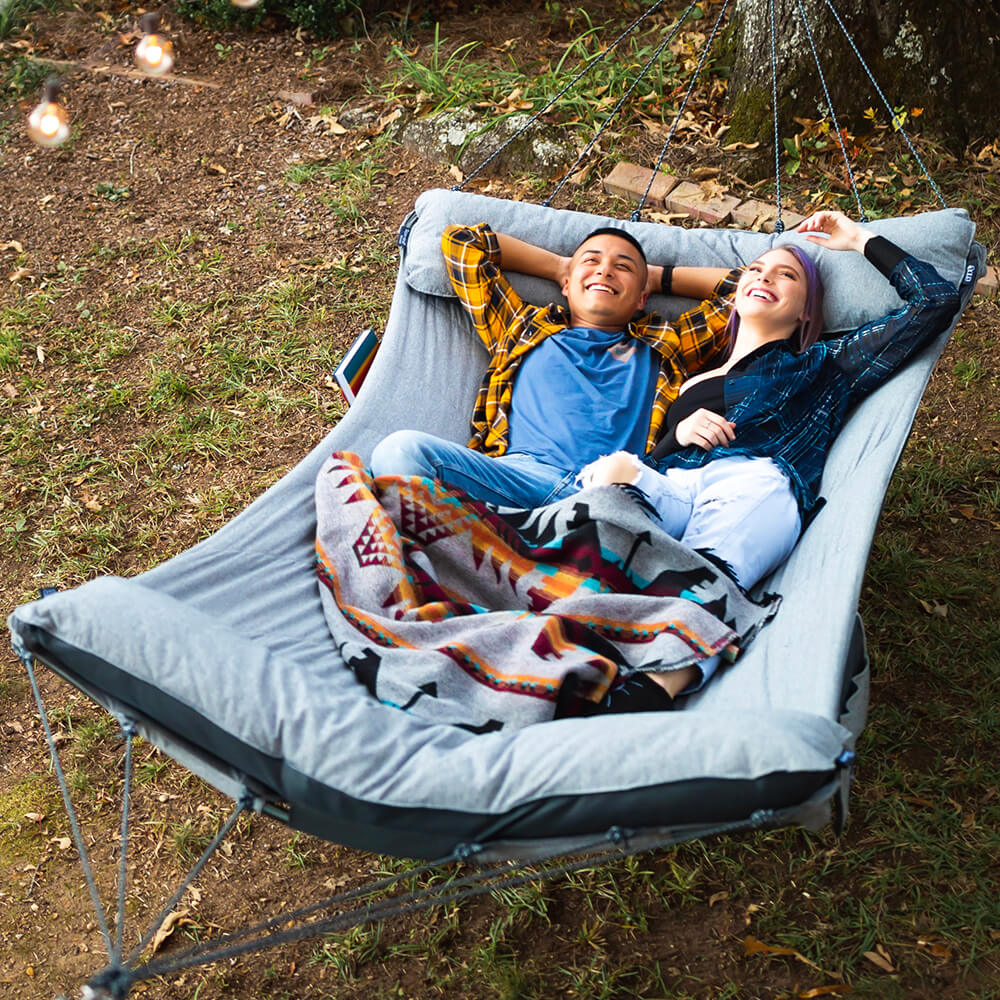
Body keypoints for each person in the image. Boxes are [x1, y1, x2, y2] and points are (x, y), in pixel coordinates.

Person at [574, 209, 960, 710]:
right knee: (612, 470)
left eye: (787, 275)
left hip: (756, 485)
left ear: (806, 312)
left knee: (706, 577)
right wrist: (680, 433)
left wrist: (856, 238)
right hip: (680, 482)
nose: (765, 277)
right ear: (736, 292)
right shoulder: (692, 377)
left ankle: (651, 692)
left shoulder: (826, 364)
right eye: (755, 270)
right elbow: (657, 461)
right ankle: (583, 617)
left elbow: (935, 301)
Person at [369, 222, 741, 510]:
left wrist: (655, 276)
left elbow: (745, 289)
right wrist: (562, 266)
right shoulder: (521, 326)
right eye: (592, 261)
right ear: (566, 284)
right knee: (400, 451)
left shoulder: (666, 344)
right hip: (517, 478)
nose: (605, 271)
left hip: (606, 492)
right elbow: (463, 242)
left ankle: (501, 552)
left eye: (622, 267)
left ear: (643, 297)